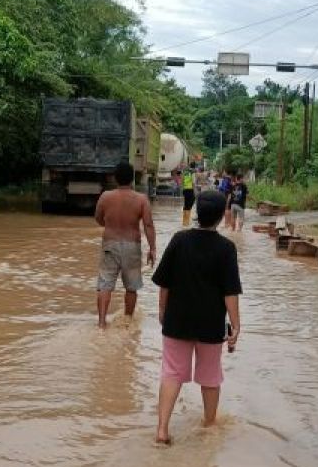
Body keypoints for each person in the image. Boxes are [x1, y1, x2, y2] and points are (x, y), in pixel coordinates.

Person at [151, 190, 242, 445]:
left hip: (177, 320)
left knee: (171, 373)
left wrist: (162, 310)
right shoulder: (226, 248)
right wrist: (236, 325)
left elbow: (164, 282)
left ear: (197, 214)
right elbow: (230, 292)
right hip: (210, 324)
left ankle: (162, 430)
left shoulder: (179, 240)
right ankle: (210, 426)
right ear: (219, 217)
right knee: (211, 376)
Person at [95, 161, 157, 328]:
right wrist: (152, 249)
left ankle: (101, 323)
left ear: (115, 178)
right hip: (132, 246)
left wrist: (109, 225)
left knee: (105, 285)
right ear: (132, 180)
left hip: (110, 243)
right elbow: (148, 225)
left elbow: (98, 218)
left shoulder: (105, 197)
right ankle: (127, 322)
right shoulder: (141, 199)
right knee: (131, 287)